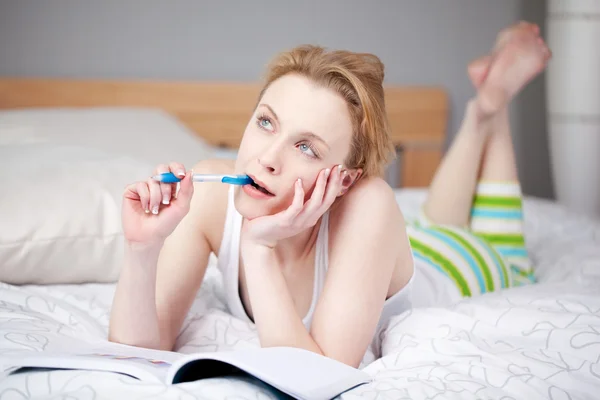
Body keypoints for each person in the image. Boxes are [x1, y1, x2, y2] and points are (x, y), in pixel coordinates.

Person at [109, 21, 551, 368]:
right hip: (407, 244)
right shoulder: (209, 198)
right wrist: (142, 249)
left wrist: (258, 247)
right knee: (435, 219)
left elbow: (312, 377)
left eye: (306, 147)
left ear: (345, 181)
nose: (266, 159)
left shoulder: (370, 203)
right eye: (266, 122)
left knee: (497, 247)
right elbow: (142, 350)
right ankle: (482, 112)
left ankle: (490, 109)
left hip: (461, 263)